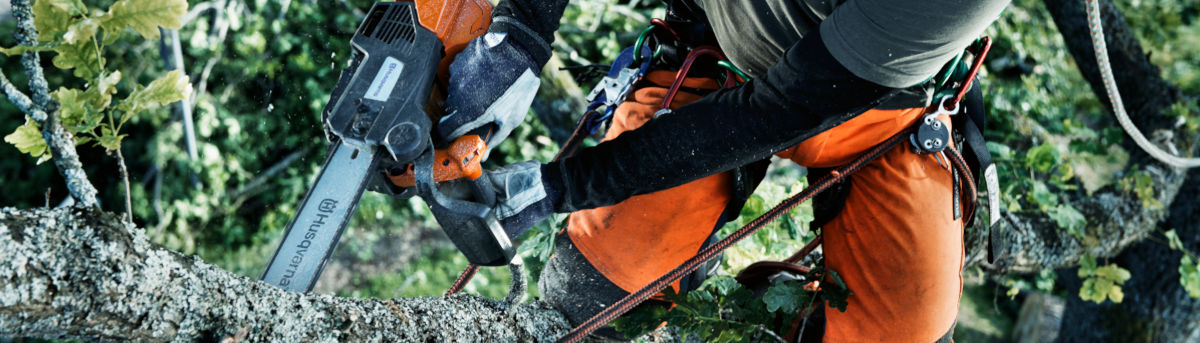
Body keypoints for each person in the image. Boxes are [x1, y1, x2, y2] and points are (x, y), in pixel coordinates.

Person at [428, 0, 1010, 341]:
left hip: (883, 114)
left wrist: (560, 185)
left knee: (902, 330)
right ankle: (678, 249)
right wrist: (517, 37)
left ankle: (784, 315)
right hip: (720, 56)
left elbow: (775, 113)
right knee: (598, 290)